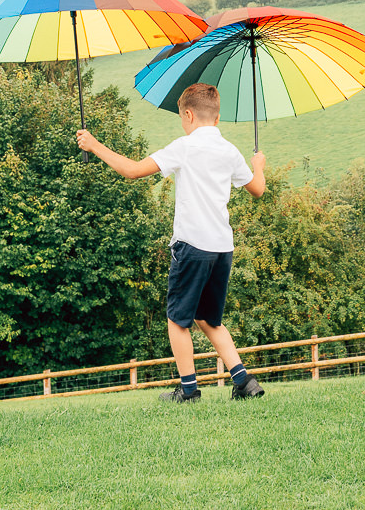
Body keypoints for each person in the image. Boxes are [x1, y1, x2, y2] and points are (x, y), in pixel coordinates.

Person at [77, 82, 267, 403]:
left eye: (182, 118)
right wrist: (258, 166)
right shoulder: (230, 150)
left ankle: (189, 391)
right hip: (222, 248)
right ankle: (244, 381)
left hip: (192, 246)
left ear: (189, 115)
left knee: (177, 321)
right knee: (209, 319)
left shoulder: (185, 146)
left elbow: (134, 170)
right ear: (217, 119)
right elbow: (258, 189)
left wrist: (94, 144)